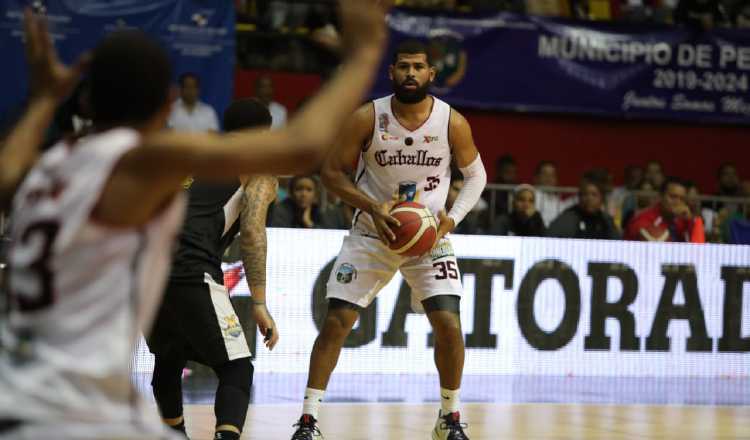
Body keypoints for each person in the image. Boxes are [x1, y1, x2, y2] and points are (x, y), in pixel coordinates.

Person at [0, 4, 388, 439]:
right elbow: (301, 149)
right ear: (167, 102)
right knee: (238, 368)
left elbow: (8, 169)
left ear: (86, 98)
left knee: (168, 360)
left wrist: (44, 98)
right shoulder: (146, 158)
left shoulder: (47, 167)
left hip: (16, 386)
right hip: (78, 403)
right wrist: (364, 53)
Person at [290, 40, 486, 440]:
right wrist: (372, 206)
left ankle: (449, 418)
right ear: (391, 72)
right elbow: (331, 173)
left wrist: (452, 219)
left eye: (418, 67)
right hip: (372, 232)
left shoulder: (453, 122)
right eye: (403, 67)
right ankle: (308, 421)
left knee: (449, 323)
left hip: (427, 238)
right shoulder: (367, 117)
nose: (410, 73)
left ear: (433, 74)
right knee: (337, 322)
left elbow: (476, 176)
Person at [146, 99, 279, 440]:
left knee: (169, 356)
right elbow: (251, 231)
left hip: (145, 269)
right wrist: (260, 302)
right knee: (236, 368)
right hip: (191, 269)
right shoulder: (257, 168)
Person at [624, 177, 706, 243]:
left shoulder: (684, 220)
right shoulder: (643, 219)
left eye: (682, 199)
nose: (677, 202)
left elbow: (697, 247)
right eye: (673, 197)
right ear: (661, 196)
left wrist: (690, 221)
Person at [546, 181, 620, 240]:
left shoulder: (606, 220)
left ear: (601, 199)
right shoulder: (568, 218)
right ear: (579, 197)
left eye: (594, 195)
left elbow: (617, 243)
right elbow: (550, 237)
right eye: (585, 194)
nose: (589, 199)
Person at [270, 175, 341, 229]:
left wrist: (308, 223)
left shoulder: (321, 211)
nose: (304, 194)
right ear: (291, 192)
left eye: (309, 190)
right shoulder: (281, 210)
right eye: (299, 189)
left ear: (315, 193)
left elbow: (327, 235)